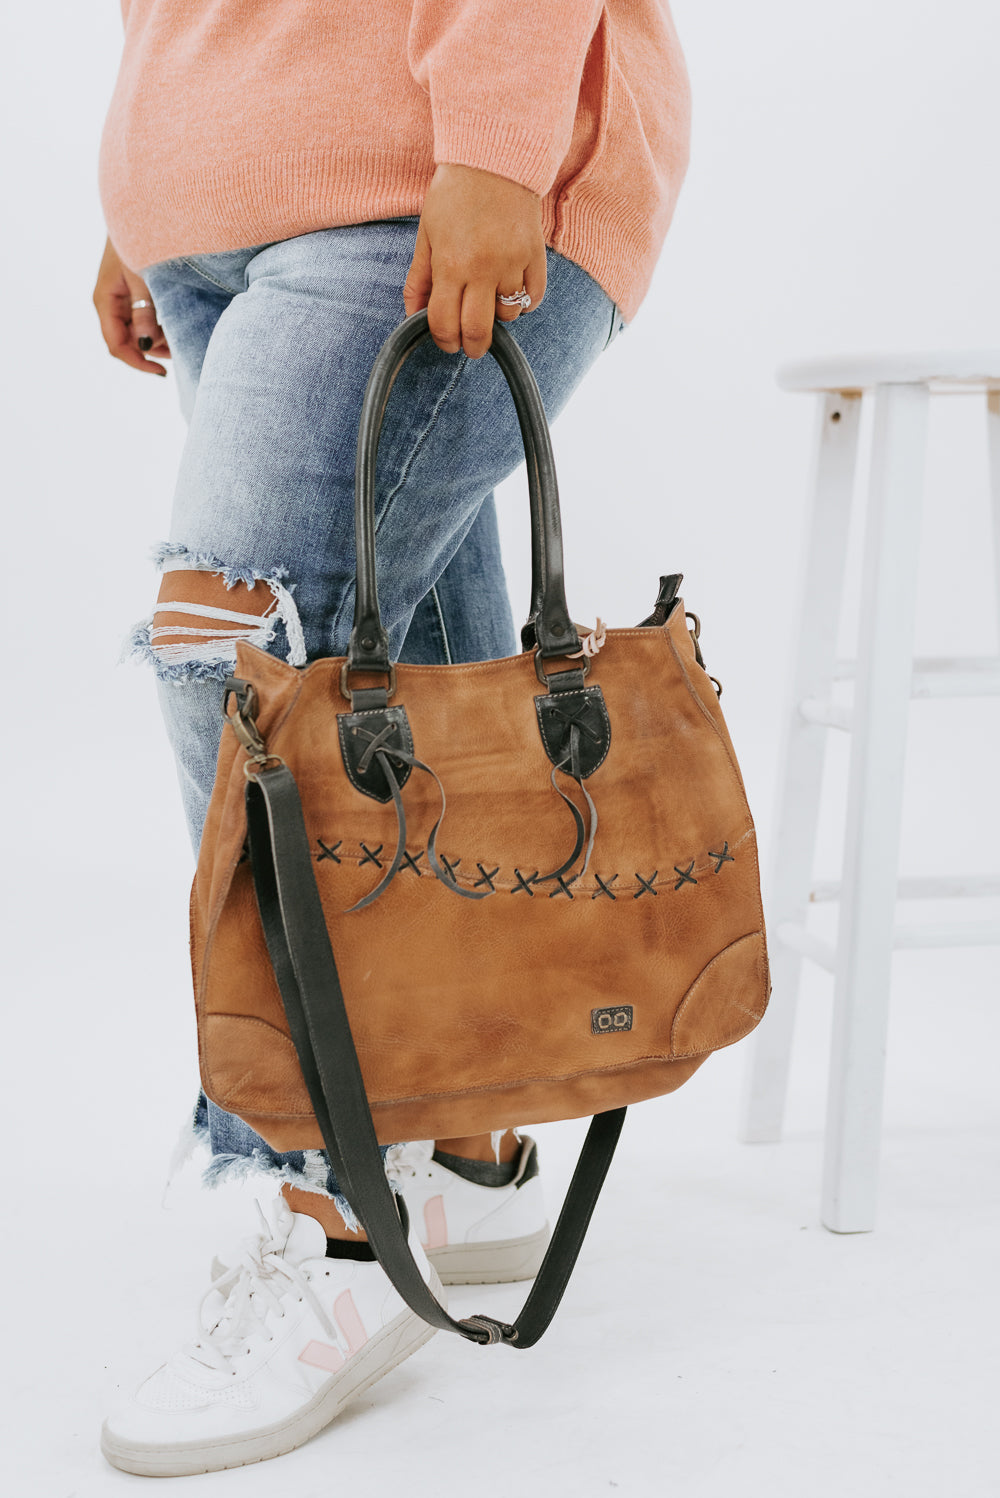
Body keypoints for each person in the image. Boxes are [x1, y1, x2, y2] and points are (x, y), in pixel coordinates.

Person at [93, 0, 691, 1477]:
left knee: (242, 653)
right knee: (404, 667)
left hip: (415, 169)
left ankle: (340, 1209)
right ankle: (469, 1139)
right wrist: (146, 176)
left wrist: (496, 146)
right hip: (214, 203)